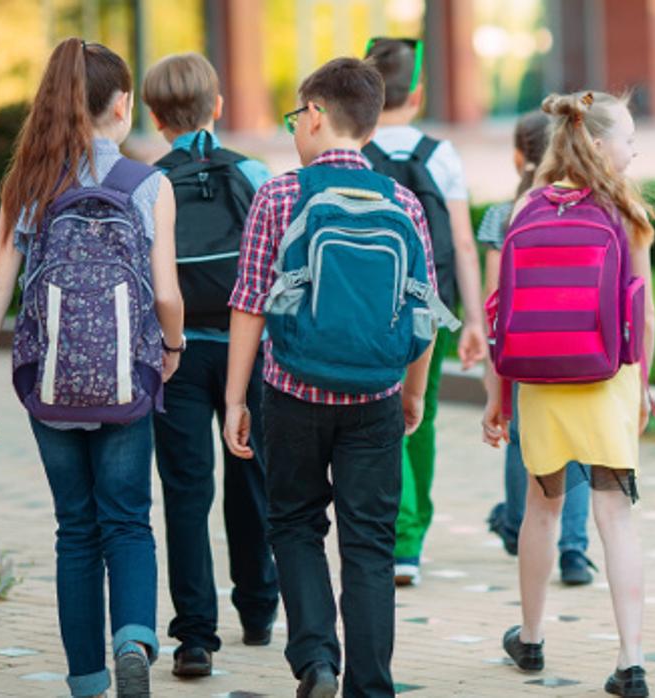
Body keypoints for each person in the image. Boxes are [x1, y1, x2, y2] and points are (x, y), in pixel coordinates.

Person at [0, 37, 183, 698]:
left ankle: (87, 681)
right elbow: (166, 294)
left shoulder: (27, 182)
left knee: (76, 529)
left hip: (50, 378)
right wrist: (170, 349)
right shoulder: (149, 185)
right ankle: (134, 638)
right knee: (128, 519)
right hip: (126, 377)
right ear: (123, 105)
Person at [222, 56, 439, 698]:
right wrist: (415, 392)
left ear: (315, 116)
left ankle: (317, 660)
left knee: (293, 523)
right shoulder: (400, 200)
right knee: (370, 544)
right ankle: (371, 685)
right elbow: (422, 307)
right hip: (375, 393)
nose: (294, 127)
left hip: (290, 391)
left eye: (296, 115)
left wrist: (236, 398)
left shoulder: (280, 194)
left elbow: (249, 303)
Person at [482, 91, 655, 698]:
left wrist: (498, 396)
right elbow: (646, 310)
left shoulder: (526, 205)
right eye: (629, 138)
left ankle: (530, 639)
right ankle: (631, 660)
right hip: (607, 376)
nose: (634, 148)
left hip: (540, 378)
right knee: (615, 516)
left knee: (541, 509)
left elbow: (503, 306)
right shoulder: (625, 210)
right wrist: (644, 386)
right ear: (602, 144)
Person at [141, 51, 279, 678]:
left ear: (153, 116)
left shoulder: (146, 182)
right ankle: (257, 608)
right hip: (244, 349)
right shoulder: (252, 172)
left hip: (175, 354)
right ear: (218, 107)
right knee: (249, 478)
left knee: (185, 491)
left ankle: (194, 637)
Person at [363, 37, 488, 587]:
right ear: (416, 92)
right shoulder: (440, 154)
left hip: (367, 307)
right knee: (423, 413)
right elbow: (462, 243)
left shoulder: (354, 149)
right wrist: (476, 324)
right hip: (430, 309)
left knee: (382, 412)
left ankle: (395, 530)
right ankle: (411, 539)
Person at [480, 111, 597, 585]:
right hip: (583, 344)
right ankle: (574, 550)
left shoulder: (504, 215)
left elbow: (495, 304)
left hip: (527, 348)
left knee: (522, 440)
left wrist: (494, 377)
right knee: (581, 446)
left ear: (518, 156)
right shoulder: (592, 208)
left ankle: (518, 526)